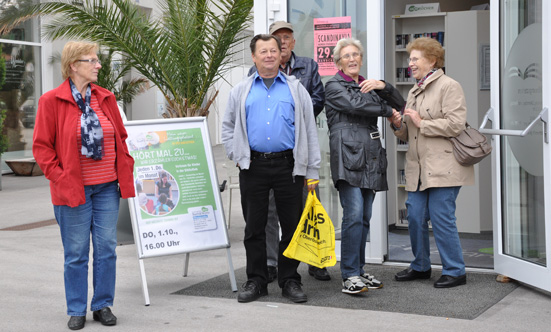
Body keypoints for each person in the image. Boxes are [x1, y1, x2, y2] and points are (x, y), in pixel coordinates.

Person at [32, 41, 135, 330]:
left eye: (97, 60)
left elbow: (120, 136)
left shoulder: (106, 98)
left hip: (106, 188)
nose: (98, 65)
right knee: (76, 252)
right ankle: (76, 308)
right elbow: (42, 148)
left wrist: (124, 164)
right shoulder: (51, 101)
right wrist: (60, 177)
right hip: (73, 189)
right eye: (92, 60)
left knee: (107, 249)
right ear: (74, 65)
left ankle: (102, 304)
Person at [222, 34, 321, 304]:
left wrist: (312, 171)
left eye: (273, 51)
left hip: (289, 166)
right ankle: (256, 280)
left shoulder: (295, 89)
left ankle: (290, 280)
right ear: (253, 57)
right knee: (254, 227)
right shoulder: (241, 90)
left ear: (281, 55)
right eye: (263, 51)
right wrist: (237, 155)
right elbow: (228, 128)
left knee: (291, 226)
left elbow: (309, 131)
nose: (269, 55)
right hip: (252, 166)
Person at [388, 37, 474, 288]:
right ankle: (421, 265)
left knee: (441, 217)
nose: (410, 63)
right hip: (418, 169)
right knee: (414, 216)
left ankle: (455, 270)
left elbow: (456, 124)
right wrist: (397, 124)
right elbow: (408, 131)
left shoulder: (449, 86)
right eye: (410, 59)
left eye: (415, 59)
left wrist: (421, 122)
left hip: (443, 167)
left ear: (432, 60)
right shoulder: (415, 89)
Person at [248, 21, 327, 282]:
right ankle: (271, 264)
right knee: (265, 215)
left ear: (292, 42)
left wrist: (295, 119)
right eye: (276, 38)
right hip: (260, 162)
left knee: (301, 211)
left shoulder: (308, 66)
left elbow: (317, 97)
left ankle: (312, 263)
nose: (281, 42)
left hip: (294, 155)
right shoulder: (253, 74)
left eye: (286, 37)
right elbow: (237, 120)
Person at [324, 38, 404, 294]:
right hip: (347, 157)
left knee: (365, 217)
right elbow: (356, 105)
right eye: (346, 55)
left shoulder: (369, 84)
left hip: (369, 157)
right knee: (354, 215)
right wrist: (388, 110)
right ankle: (348, 274)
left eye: (356, 54)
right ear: (338, 62)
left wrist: (383, 85)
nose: (352, 59)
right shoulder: (334, 85)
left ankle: (358, 270)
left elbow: (401, 103)